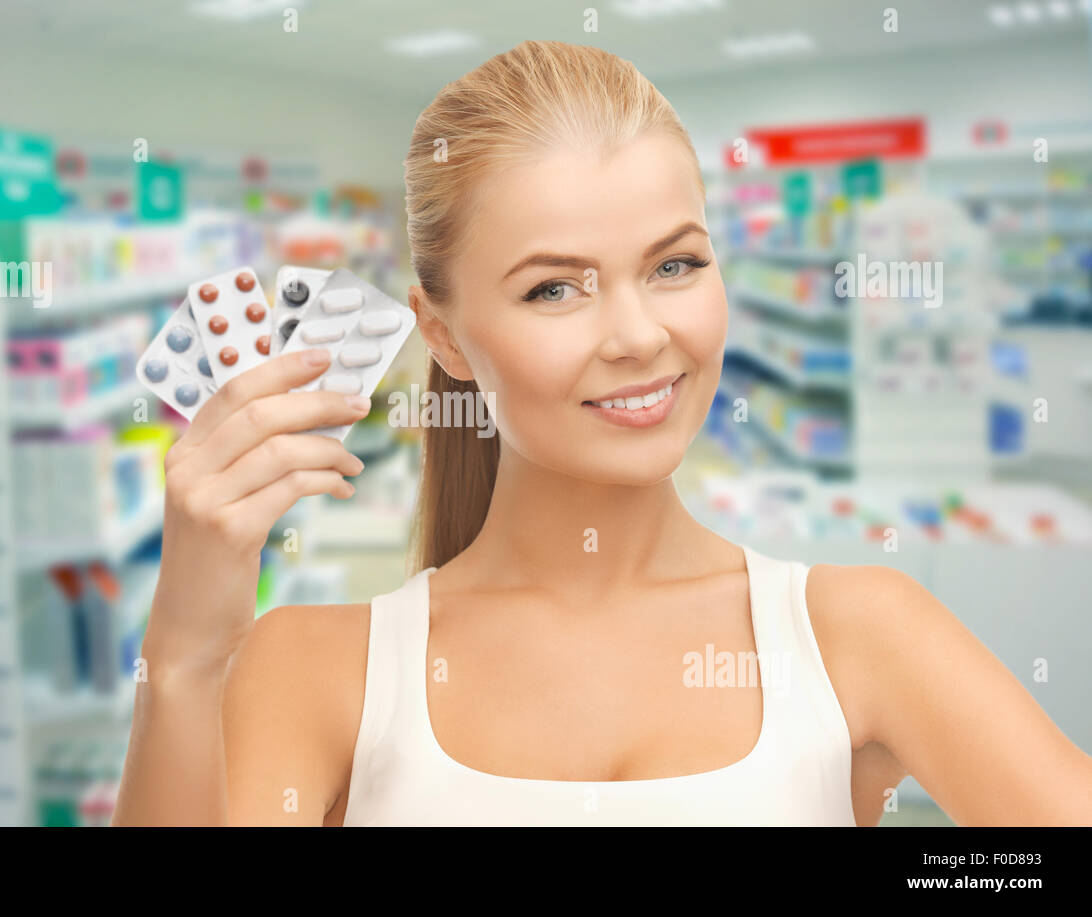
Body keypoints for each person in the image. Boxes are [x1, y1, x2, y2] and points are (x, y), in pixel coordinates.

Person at [113, 40, 1092, 826]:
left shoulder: (861, 635)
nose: (638, 334)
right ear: (443, 334)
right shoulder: (315, 666)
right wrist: (190, 645)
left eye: (674, 265)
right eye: (554, 288)